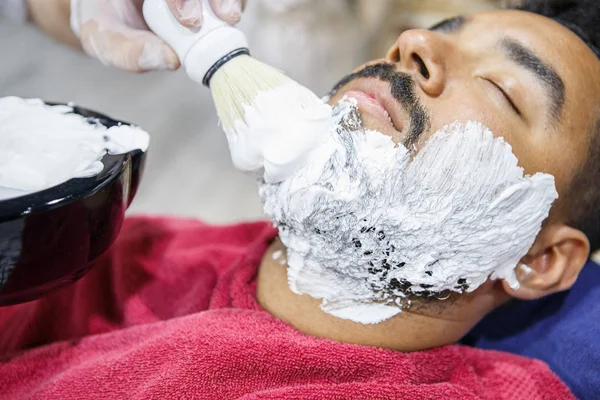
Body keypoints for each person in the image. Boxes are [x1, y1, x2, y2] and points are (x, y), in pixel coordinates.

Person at [0, 0, 599, 399]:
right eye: (439, 32)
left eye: (501, 85)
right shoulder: (132, 245)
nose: (411, 42)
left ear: (536, 260)